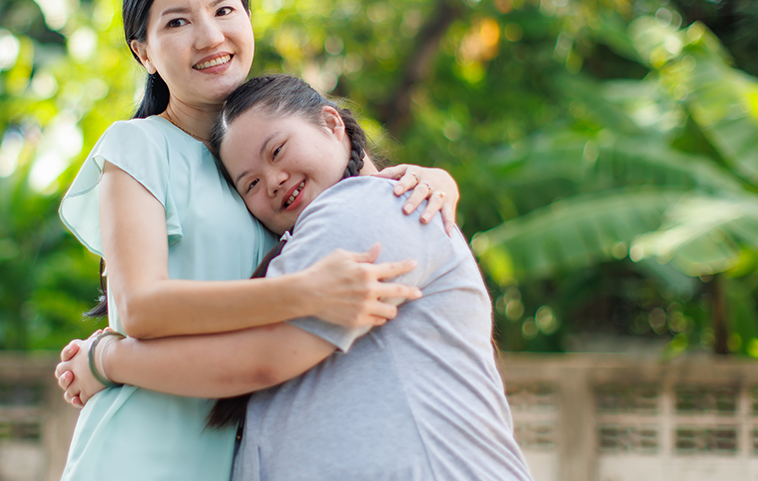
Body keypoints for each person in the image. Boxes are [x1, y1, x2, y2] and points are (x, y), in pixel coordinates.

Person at [55, 0, 461, 480]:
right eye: (177, 22)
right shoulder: (138, 146)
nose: (209, 36)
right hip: (142, 452)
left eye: (225, 11)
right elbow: (139, 308)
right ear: (145, 53)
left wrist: (436, 181)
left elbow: (364, 201)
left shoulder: (264, 158)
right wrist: (306, 291)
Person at [56, 74, 533, 481]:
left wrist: (108, 359)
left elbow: (259, 358)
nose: (274, 180)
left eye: (278, 150)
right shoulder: (303, 241)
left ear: (331, 123)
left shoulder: (368, 207)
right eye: (251, 184)